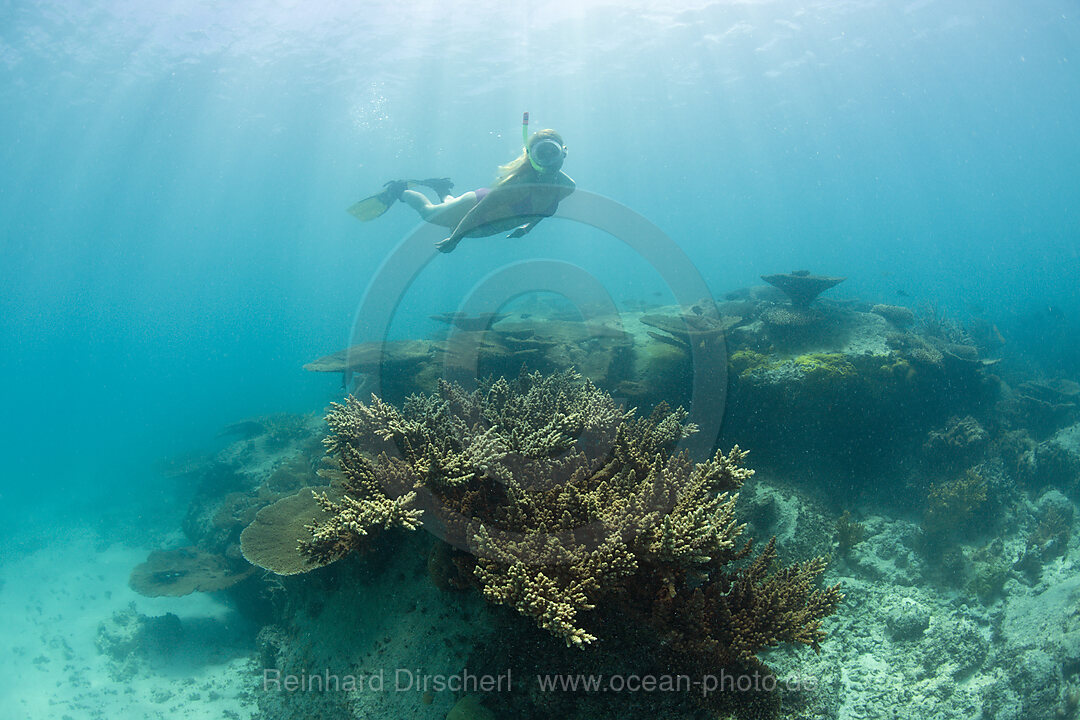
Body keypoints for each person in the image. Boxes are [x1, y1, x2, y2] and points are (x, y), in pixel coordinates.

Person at [387, 120, 575, 253]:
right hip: (475, 208)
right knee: (429, 213)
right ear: (532, 156)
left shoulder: (567, 187)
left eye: (554, 152)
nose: (549, 160)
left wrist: (527, 228)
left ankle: (442, 188)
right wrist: (455, 240)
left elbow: (542, 211)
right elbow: (479, 210)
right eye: (543, 153)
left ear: (564, 153)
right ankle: (400, 190)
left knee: (452, 220)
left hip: (482, 227)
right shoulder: (518, 185)